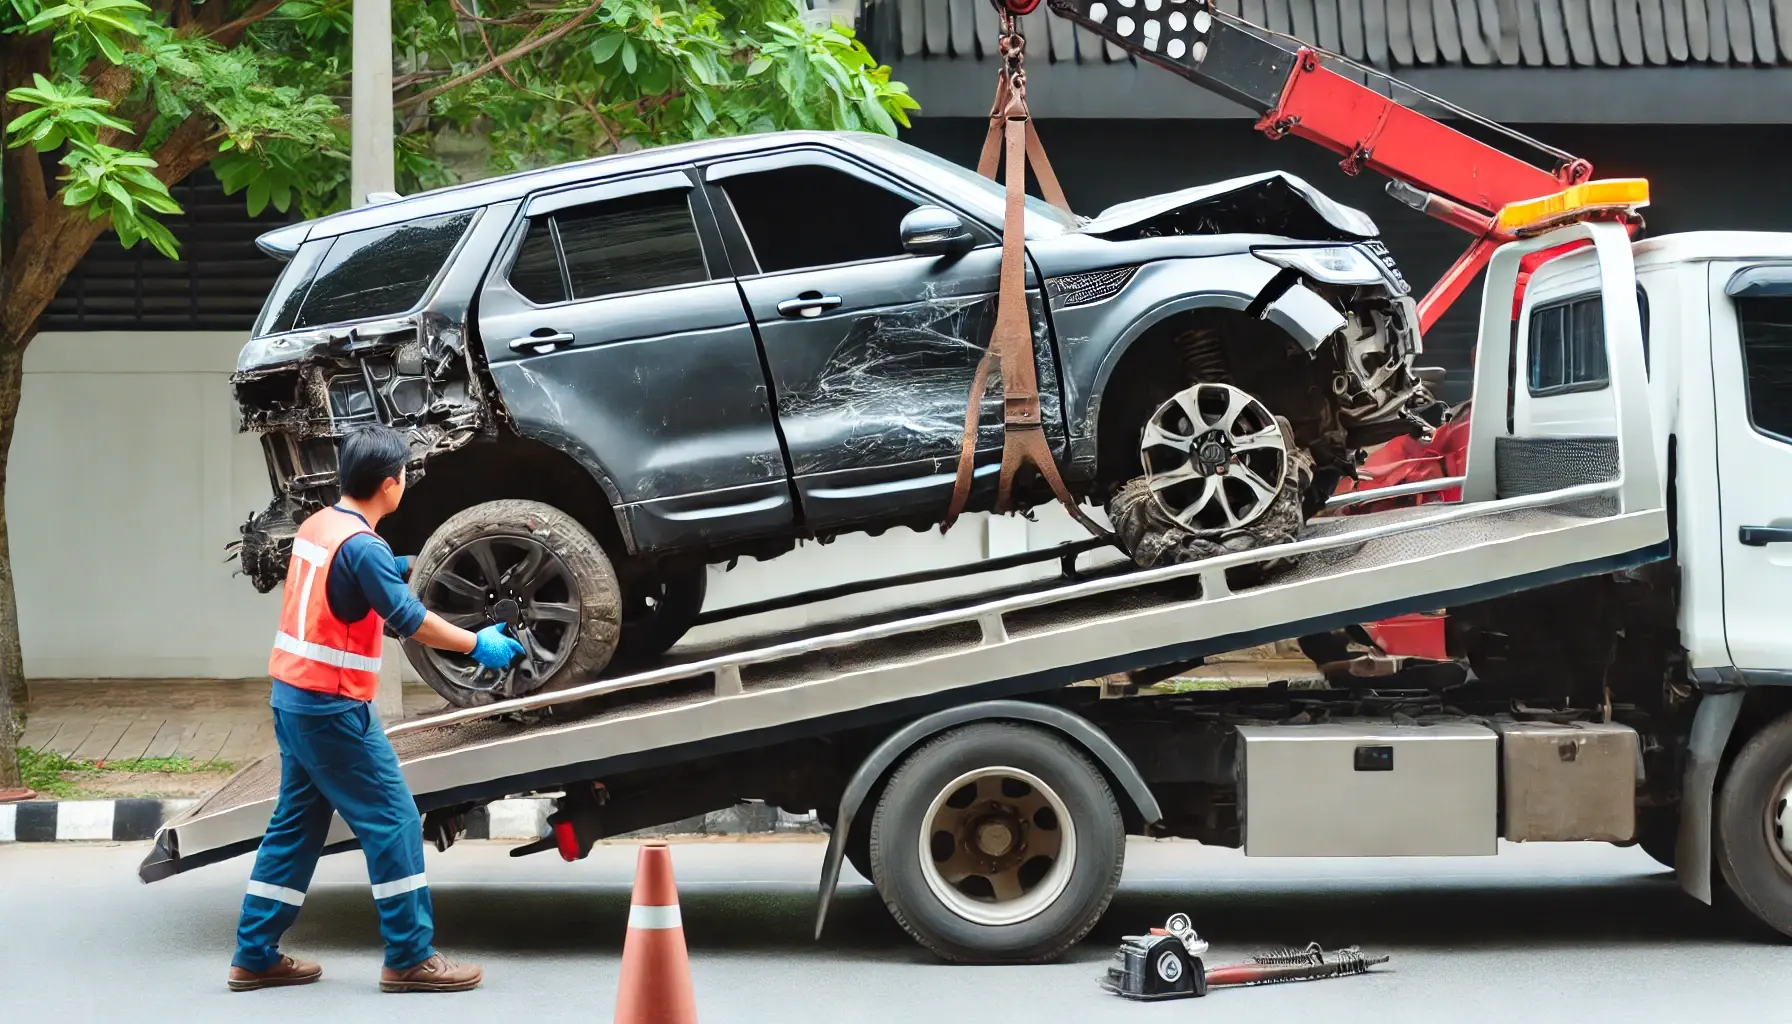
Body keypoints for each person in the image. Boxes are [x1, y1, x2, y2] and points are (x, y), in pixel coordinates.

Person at [228, 424, 524, 994]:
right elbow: (409, 622)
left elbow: (349, 582)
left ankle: (254, 953)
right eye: (405, 477)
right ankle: (409, 957)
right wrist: (477, 644)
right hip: (333, 708)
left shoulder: (321, 525)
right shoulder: (364, 547)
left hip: (292, 700)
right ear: (390, 485)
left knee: (295, 826)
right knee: (394, 821)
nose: (405, 483)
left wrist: (399, 565)